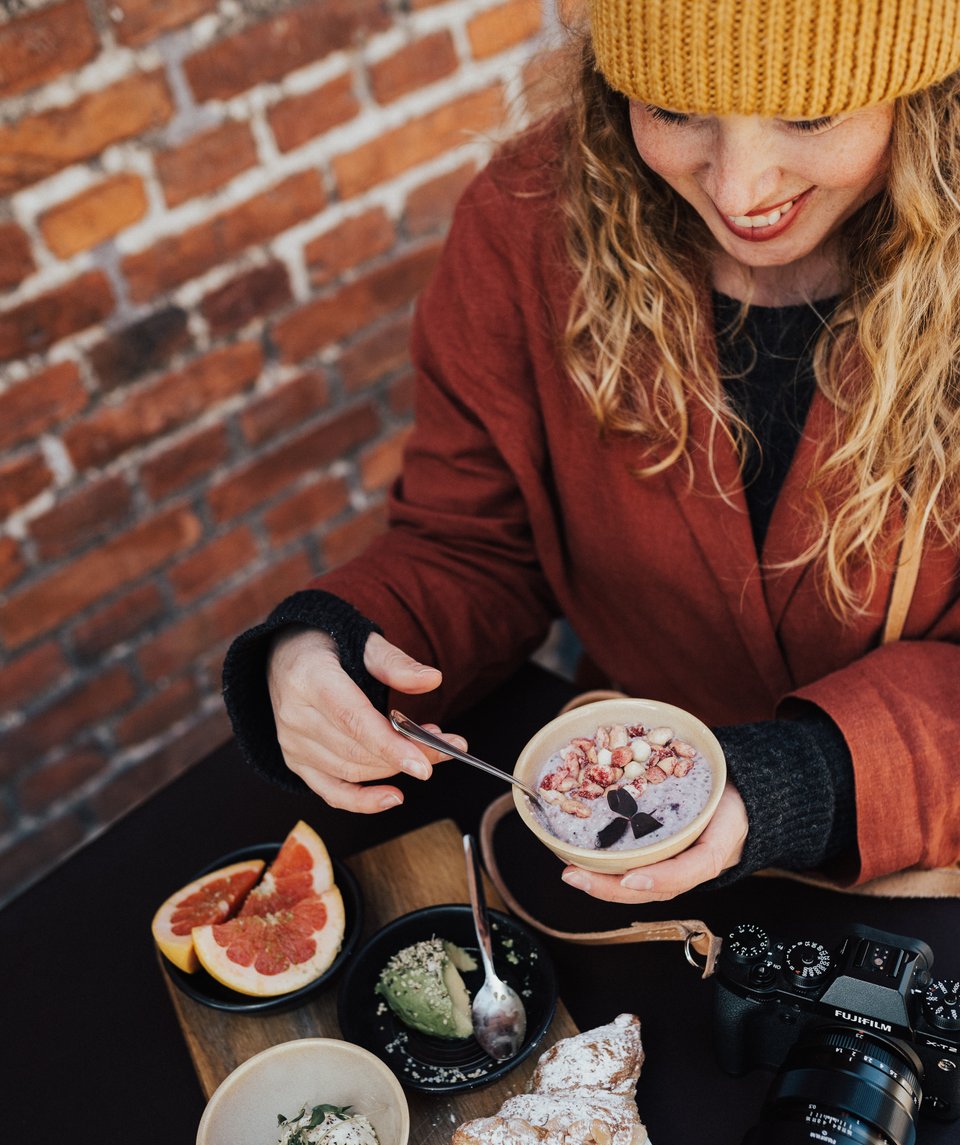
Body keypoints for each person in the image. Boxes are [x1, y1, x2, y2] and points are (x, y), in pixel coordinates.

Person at [223, 0, 960, 908]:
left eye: (808, 114)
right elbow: (472, 540)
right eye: (677, 108)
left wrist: (797, 784)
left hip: (917, 873)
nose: (739, 190)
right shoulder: (531, 221)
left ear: (919, 85)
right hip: (618, 850)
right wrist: (325, 643)